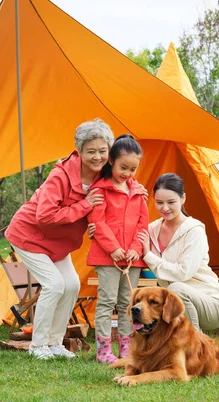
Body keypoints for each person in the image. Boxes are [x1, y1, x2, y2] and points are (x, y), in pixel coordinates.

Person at [5, 119, 114, 360]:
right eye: (91, 151)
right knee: (54, 284)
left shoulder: (103, 176)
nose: (97, 157)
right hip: (28, 235)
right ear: (79, 151)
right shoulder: (60, 176)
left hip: (58, 243)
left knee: (72, 285)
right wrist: (85, 205)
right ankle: (38, 345)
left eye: (102, 151)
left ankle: (55, 342)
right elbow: (44, 216)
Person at [137, 173, 219, 332]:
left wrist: (148, 256)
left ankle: (195, 347)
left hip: (212, 303)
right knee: (168, 294)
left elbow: (183, 273)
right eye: (159, 203)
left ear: (183, 198)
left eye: (171, 202)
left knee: (176, 289)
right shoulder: (151, 229)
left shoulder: (194, 230)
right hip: (173, 302)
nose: (164, 208)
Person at [87, 134, 149, 363]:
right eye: (124, 167)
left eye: (133, 169)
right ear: (111, 161)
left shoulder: (138, 192)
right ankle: (103, 350)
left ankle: (126, 348)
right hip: (107, 258)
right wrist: (113, 248)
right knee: (106, 301)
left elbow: (143, 224)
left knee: (128, 304)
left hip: (132, 260)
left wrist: (136, 249)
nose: (128, 173)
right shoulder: (100, 190)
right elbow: (97, 222)